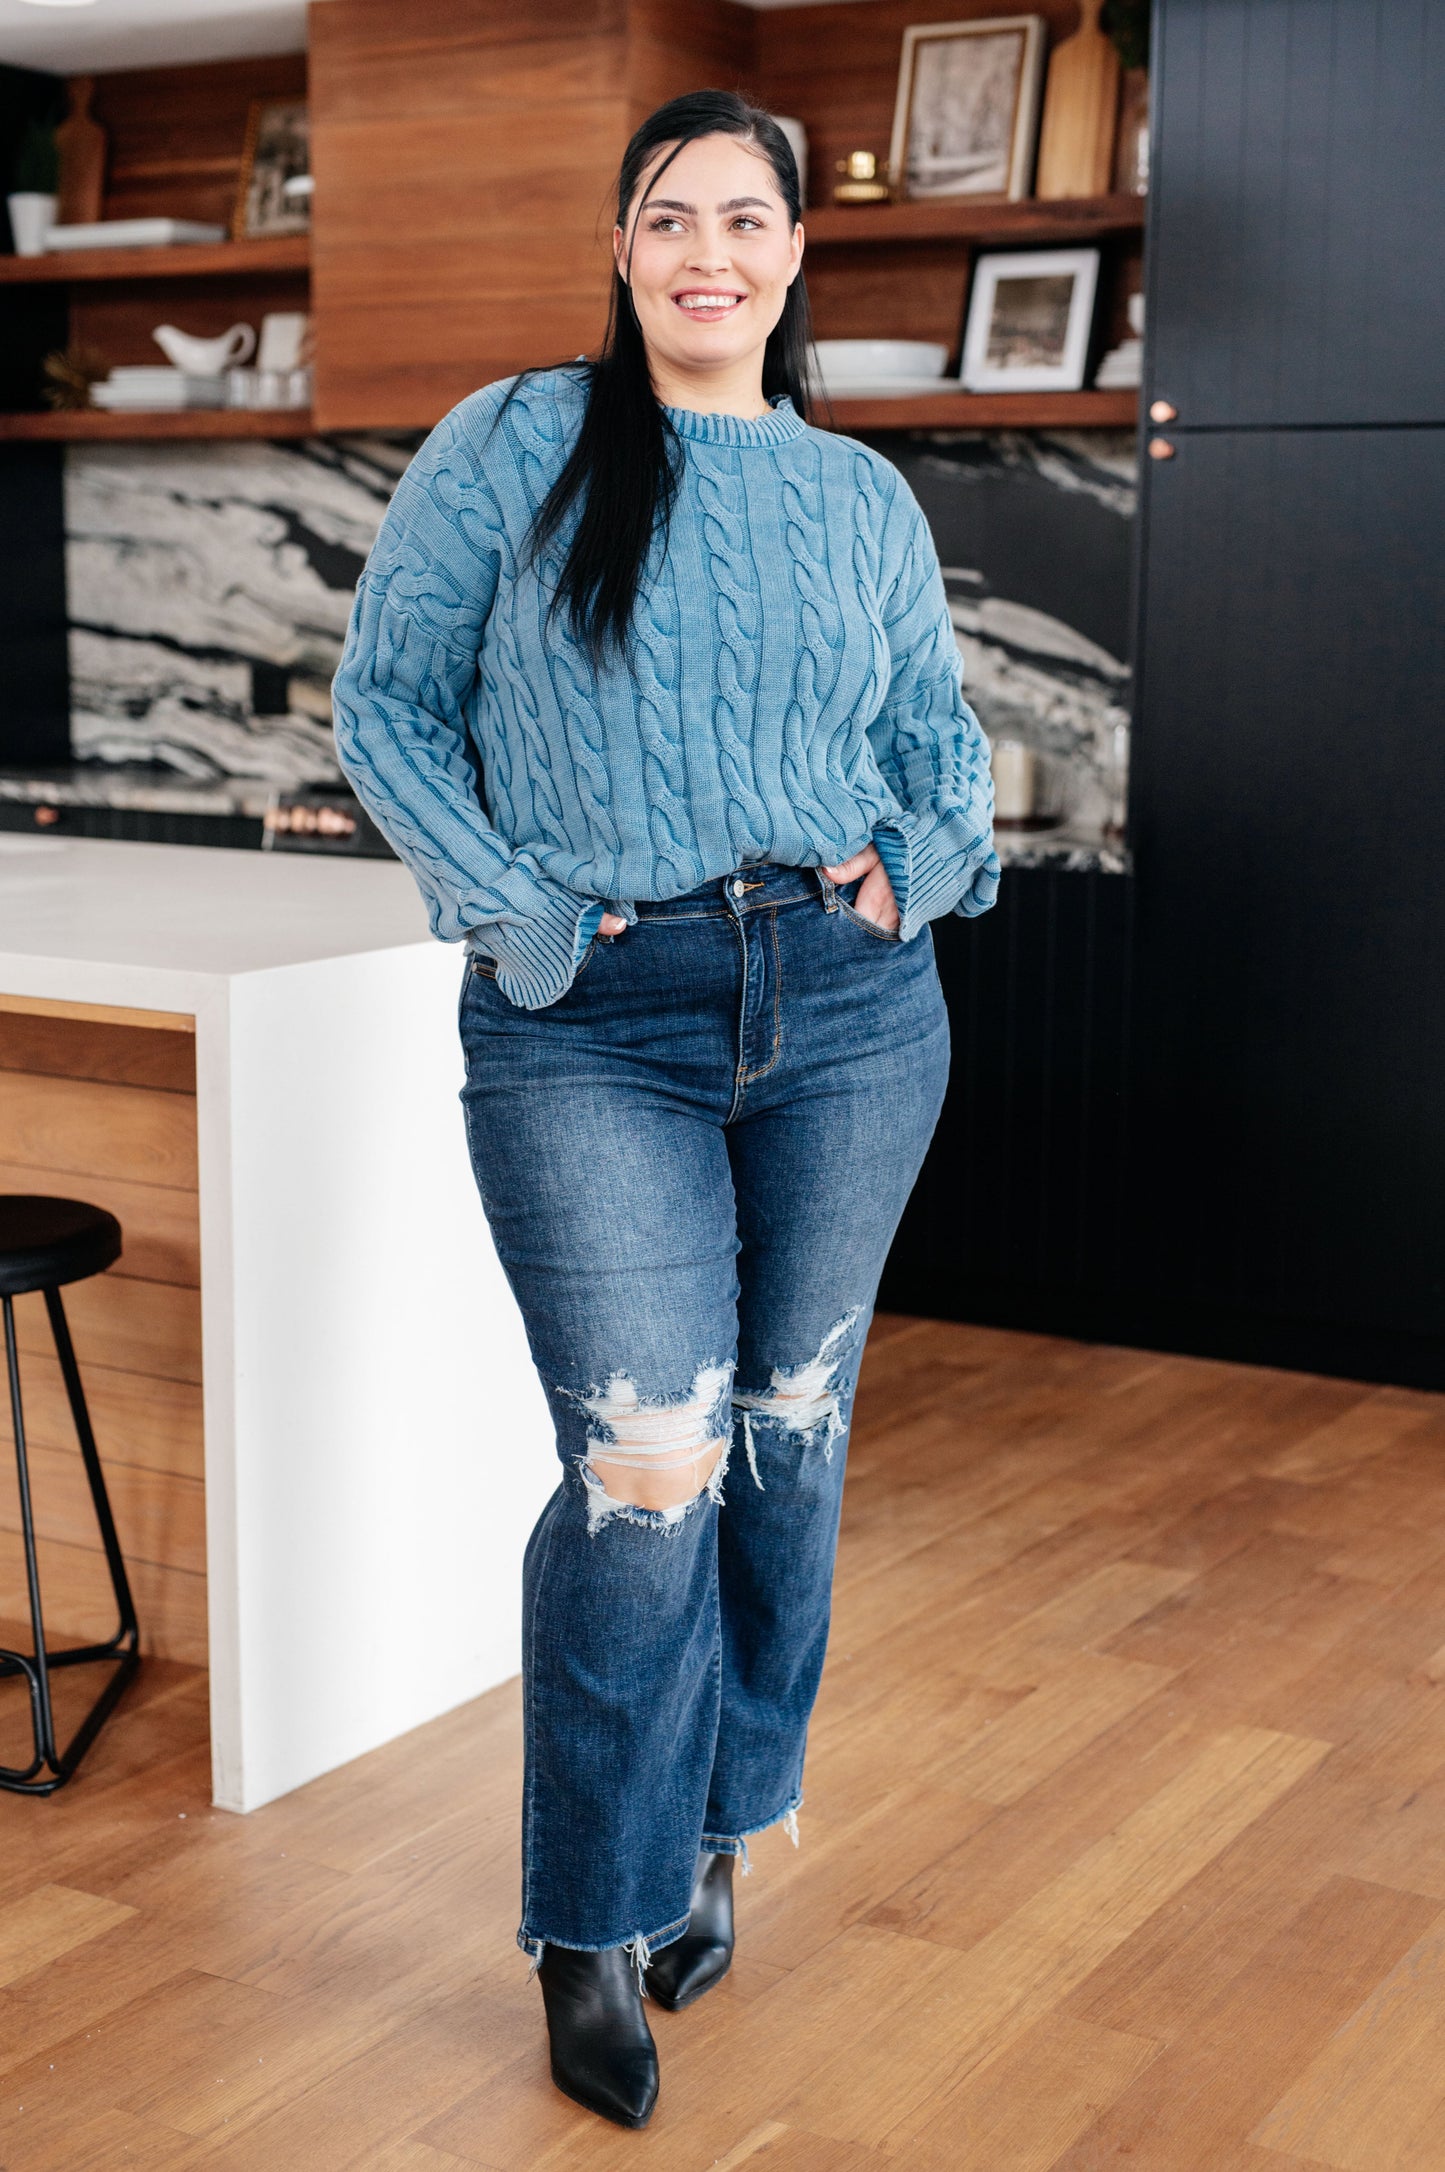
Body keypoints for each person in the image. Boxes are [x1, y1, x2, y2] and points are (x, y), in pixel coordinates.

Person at [331, 87, 997, 2130]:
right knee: (646, 1470)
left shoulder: (859, 499)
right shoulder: (517, 444)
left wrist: (926, 859)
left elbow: (938, 744)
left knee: (789, 1443)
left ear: (798, 255)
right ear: (623, 251)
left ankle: (726, 1819)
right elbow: (386, 701)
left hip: (852, 1008)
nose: (706, 253)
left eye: (744, 220)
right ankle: (592, 1923)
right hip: (591, 1021)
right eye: (665, 219)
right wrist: (515, 908)